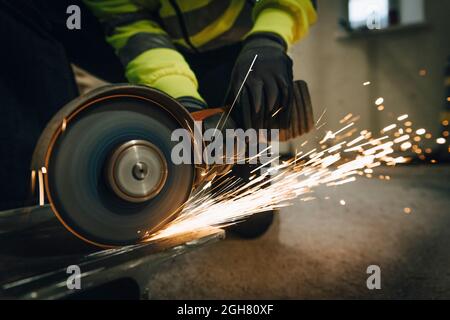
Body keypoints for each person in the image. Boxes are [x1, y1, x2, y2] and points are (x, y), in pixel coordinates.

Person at [0, 0, 316, 236]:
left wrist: (270, 38)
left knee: (250, 221)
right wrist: (186, 107)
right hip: (145, 47)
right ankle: (36, 199)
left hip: (234, 51)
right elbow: (135, 29)